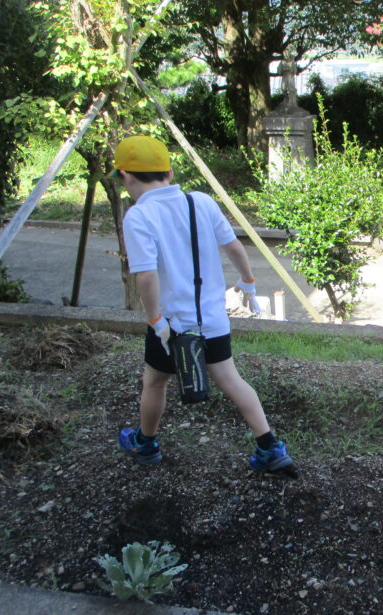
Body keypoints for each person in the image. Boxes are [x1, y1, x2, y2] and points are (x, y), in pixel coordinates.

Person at [110, 134, 296, 478]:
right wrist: (248, 282)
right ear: (168, 171)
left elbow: (147, 277)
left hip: (173, 325)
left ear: (127, 176)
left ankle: (145, 443)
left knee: (154, 382)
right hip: (212, 319)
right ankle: (269, 446)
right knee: (231, 379)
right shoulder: (201, 202)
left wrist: (155, 320)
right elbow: (234, 246)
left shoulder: (139, 217)